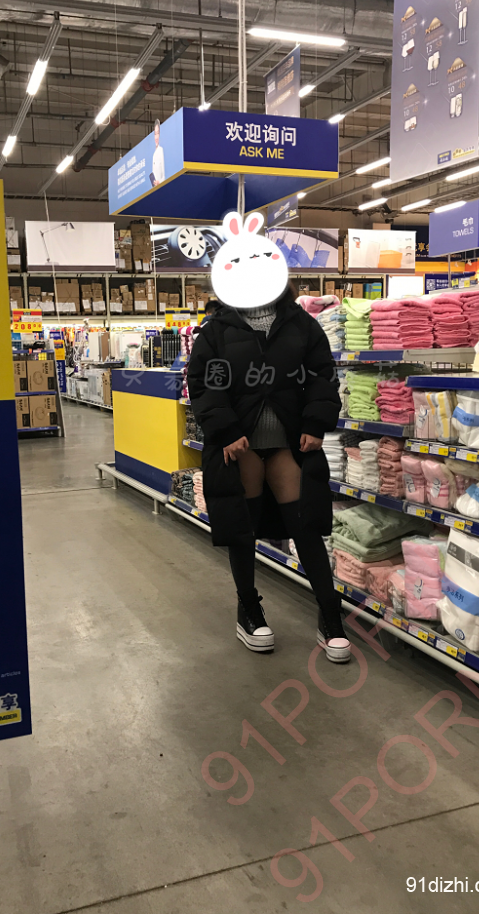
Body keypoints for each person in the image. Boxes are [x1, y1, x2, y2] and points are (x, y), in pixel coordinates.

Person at [187, 211, 350, 663]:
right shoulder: (216, 331)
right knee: (243, 528)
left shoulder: (301, 324)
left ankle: (329, 615)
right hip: (239, 445)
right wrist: (225, 431)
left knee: (306, 526)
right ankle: (249, 610)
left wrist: (316, 423)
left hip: (288, 442)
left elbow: (322, 375)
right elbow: (204, 384)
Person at [152, 119, 165, 186]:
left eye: (157, 133)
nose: (156, 137)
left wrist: (160, 182)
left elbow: (164, 173)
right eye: (155, 134)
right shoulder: (154, 154)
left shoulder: (161, 151)